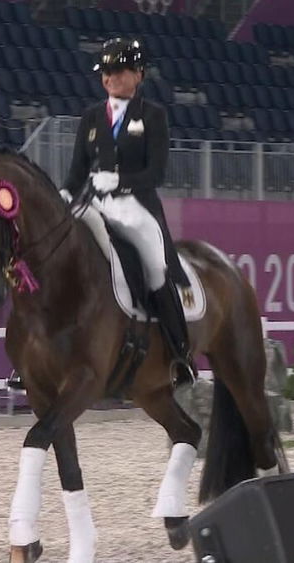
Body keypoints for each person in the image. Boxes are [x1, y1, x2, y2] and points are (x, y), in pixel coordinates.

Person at [62, 38, 195, 387]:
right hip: (94, 203)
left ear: (138, 75)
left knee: (154, 265)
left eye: (118, 71)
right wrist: (63, 194)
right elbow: (77, 171)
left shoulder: (152, 115)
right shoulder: (91, 116)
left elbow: (155, 173)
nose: (110, 78)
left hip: (136, 206)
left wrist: (118, 180)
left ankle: (179, 351)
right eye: (105, 72)